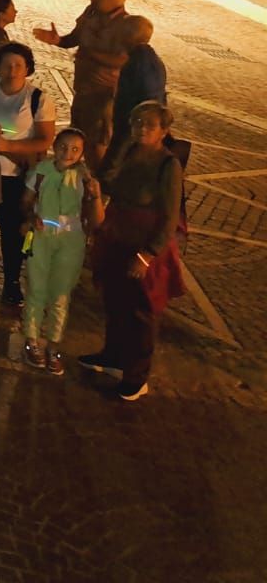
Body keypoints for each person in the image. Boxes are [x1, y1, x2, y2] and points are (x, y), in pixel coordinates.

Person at [82, 100, 184, 401]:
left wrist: (147, 254)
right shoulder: (130, 151)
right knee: (115, 299)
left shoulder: (168, 165)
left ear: (164, 131)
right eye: (137, 123)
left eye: (149, 124)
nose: (141, 129)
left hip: (142, 240)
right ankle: (112, 356)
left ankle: (137, 376)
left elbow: (170, 215)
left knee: (141, 311)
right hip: (117, 232)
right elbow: (112, 182)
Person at [0, 42, 57, 307]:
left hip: (15, 175)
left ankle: (12, 281)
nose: (12, 70)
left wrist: (7, 146)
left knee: (13, 232)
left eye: (18, 65)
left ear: (28, 69)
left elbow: (44, 140)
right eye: (7, 65)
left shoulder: (37, 100)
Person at [22, 128, 98, 375]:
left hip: (71, 238)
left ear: (82, 153)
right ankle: (32, 341)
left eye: (75, 149)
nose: (68, 153)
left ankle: (54, 345)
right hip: (42, 235)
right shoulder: (41, 171)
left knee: (61, 295)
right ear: (55, 145)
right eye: (64, 146)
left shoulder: (85, 178)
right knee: (36, 289)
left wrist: (95, 196)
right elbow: (26, 200)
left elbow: (95, 216)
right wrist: (31, 217)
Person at [110, 16, 166, 158]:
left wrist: (137, 124)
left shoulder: (140, 62)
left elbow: (148, 97)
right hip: (134, 125)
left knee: (114, 164)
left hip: (132, 127)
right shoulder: (148, 59)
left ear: (128, 36)